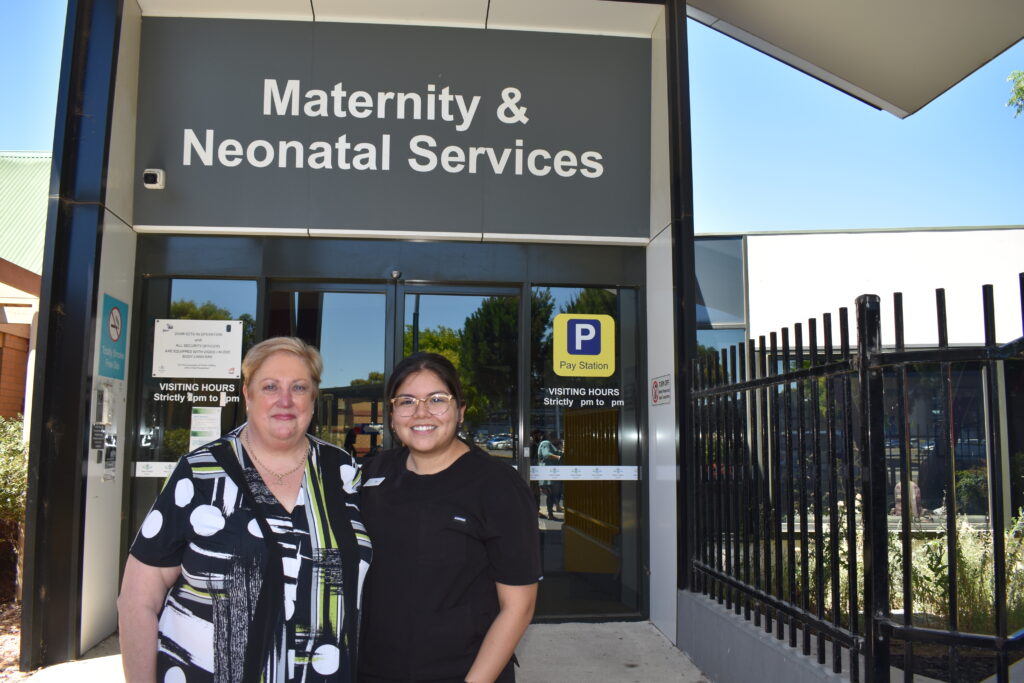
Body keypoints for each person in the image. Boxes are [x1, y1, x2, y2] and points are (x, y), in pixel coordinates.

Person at [117, 337, 372, 682]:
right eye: (270, 386)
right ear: (247, 395)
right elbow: (138, 599)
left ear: (313, 398)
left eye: (299, 387)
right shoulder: (201, 473)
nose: (285, 400)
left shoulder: (344, 473)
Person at [359, 352, 541, 683]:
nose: (421, 413)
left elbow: (519, 607)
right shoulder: (372, 474)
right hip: (372, 670)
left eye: (437, 400)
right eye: (407, 401)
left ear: (460, 411)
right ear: (392, 414)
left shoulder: (497, 485)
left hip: (462, 672)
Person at [537, 434, 564, 518]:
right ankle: (550, 513)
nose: (558, 440)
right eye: (557, 438)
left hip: (553, 474)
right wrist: (559, 457)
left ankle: (550, 512)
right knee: (551, 494)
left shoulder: (550, 445)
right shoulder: (546, 443)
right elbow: (546, 454)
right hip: (550, 474)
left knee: (552, 494)